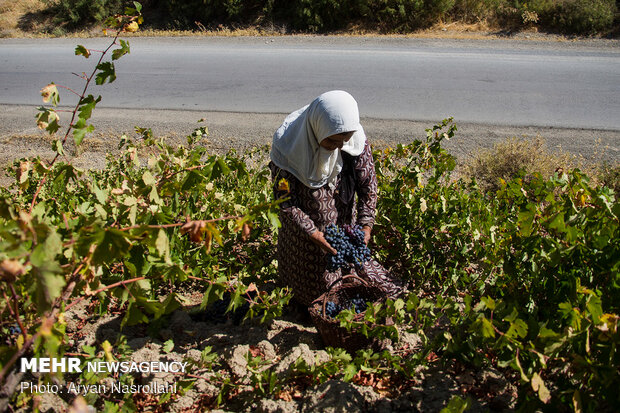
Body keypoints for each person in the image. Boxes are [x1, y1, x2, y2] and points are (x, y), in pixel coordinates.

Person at [269, 90, 403, 306]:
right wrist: (312, 233)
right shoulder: (288, 147)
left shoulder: (352, 137)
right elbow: (285, 202)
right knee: (313, 296)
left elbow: (369, 187)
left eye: (345, 140)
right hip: (303, 238)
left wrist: (366, 226)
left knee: (357, 281)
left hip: (341, 228)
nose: (340, 146)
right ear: (318, 131)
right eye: (332, 141)